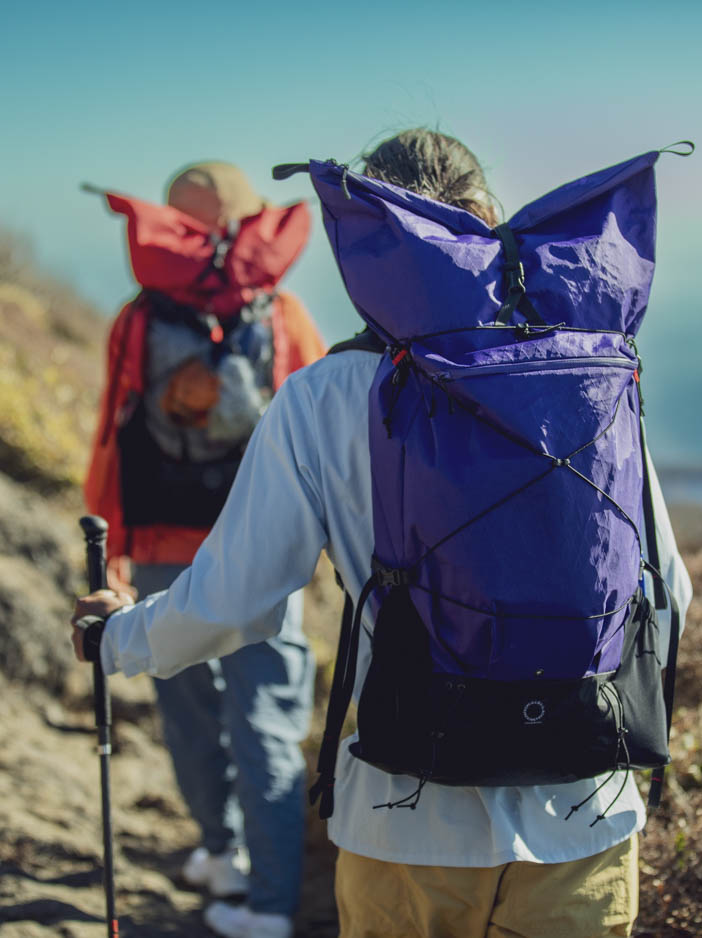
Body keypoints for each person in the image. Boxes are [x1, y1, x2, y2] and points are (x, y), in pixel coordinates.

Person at [73, 131, 692, 938]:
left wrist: (115, 639)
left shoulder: (326, 396)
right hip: (589, 816)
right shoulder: (594, 377)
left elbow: (233, 603)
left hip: (408, 822)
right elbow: (667, 592)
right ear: (494, 222)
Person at [82, 162, 325, 935]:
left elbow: (113, 432)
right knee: (266, 717)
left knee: (185, 706)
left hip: (160, 537)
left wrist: (112, 536)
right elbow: (317, 434)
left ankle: (220, 853)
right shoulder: (282, 313)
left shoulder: (138, 319)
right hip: (264, 546)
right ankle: (271, 901)